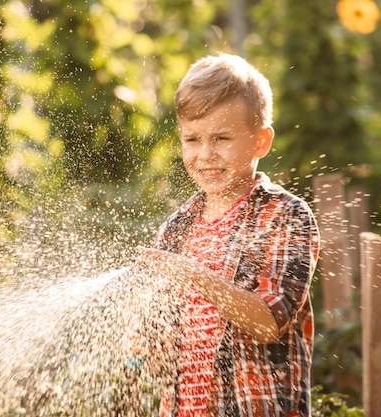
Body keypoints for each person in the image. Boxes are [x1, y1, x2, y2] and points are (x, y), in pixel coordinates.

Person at [135, 53, 320, 417]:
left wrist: (192, 274)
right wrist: (147, 337)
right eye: (192, 139)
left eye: (221, 138)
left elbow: (268, 323)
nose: (205, 154)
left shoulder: (285, 216)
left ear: (261, 142)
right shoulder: (176, 228)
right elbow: (159, 361)